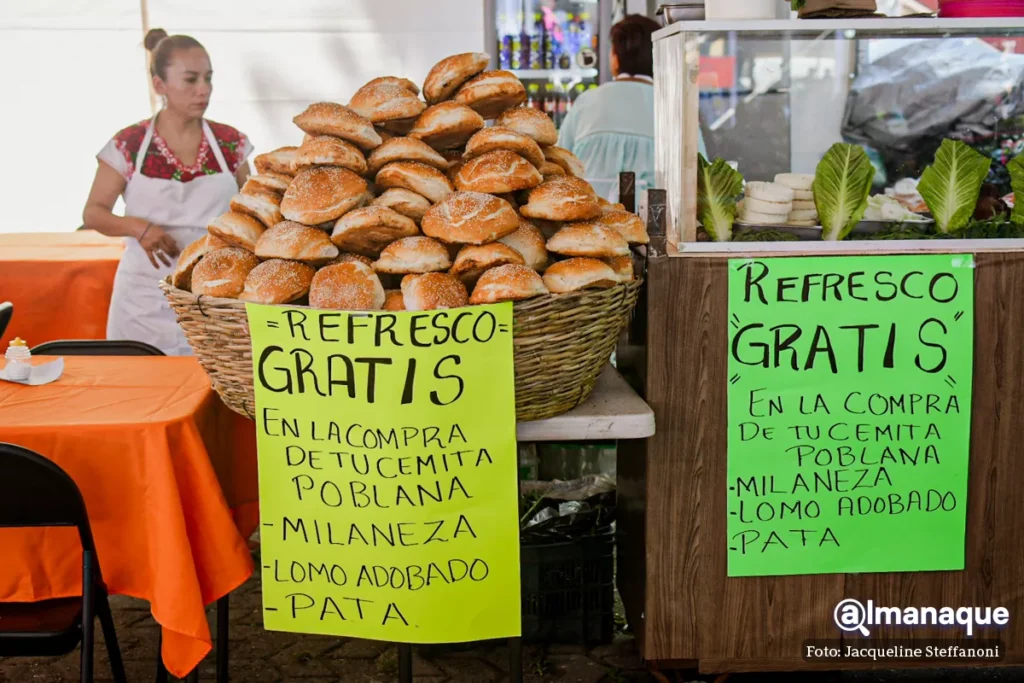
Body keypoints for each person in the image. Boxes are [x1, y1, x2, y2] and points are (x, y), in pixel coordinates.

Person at [83, 28, 253, 355]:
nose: (204, 90)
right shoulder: (128, 144)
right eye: (191, 80)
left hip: (214, 297)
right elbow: (94, 212)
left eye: (208, 78)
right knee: (140, 389)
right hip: (144, 299)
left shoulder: (231, 143)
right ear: (159, 85)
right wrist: (139, 228)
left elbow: (254, 210)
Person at [557, 14, 707, 202]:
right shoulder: (675, 106)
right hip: (658, 226)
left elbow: (558, 166)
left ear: (615, 59)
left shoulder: (586, 101)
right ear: (659, 58)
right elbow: (702, 177)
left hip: (589, 223)